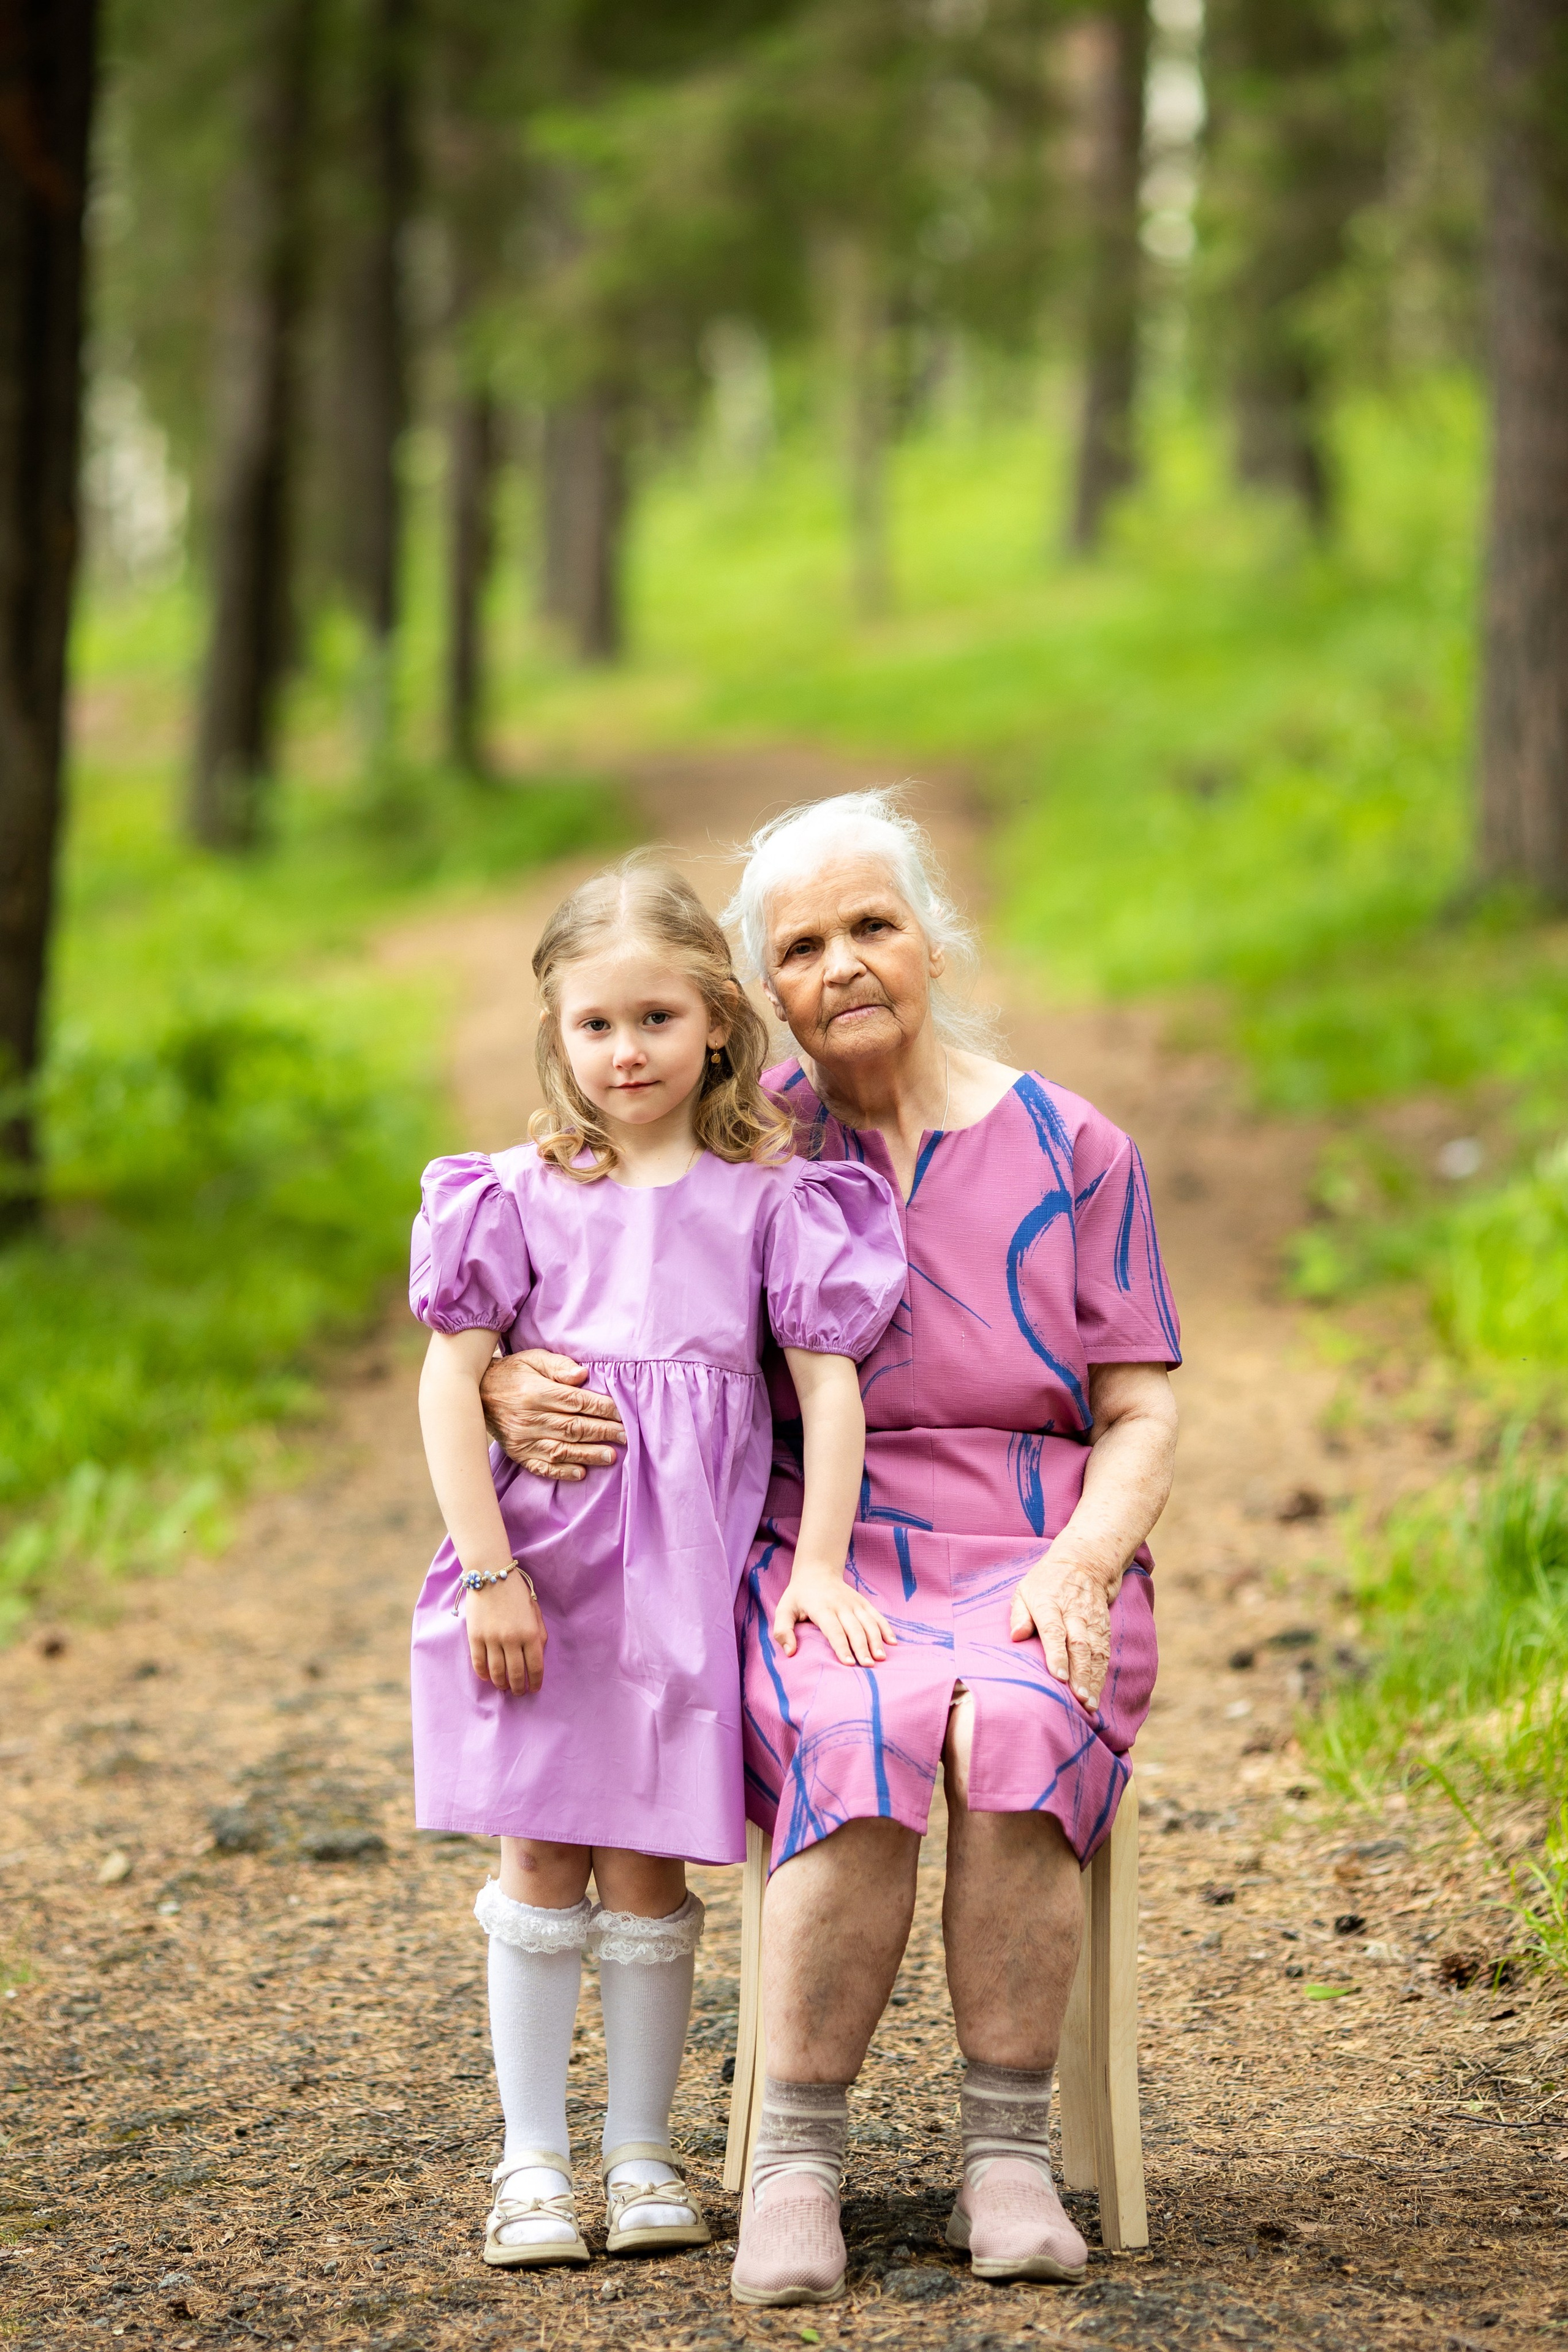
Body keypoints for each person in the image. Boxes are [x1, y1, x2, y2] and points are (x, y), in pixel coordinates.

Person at [481, 793, 1180, 2308]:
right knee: (854, 1719)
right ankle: (794, 2159)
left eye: (873, 924)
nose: (843, 963)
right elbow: (582, 1273)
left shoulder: (1075, 1147)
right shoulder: (739, 1138)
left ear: (934, 939)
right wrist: (498, 1380)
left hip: (1036, 1536)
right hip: (818, 1541)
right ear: (761, 995)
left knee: (1014, 1717)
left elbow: (1140, 1410)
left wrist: (1082, 1562)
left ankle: (1006, 2155)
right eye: (800, 946)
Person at [409, 859, 906, 2272]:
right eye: (595, 1025)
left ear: (715, 1023)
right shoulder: (510, 1196)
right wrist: (489, 1572)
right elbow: (447, 1386)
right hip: (539, 1581)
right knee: (537, 1853)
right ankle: (530, 2163)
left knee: (643, 1869)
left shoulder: (769, 1200)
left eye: (655, 1019)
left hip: (679, 1593)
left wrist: (817, 1566)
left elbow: (826, 1393)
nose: (625, 1052)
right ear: (555, 1034)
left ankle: (639, 2152)